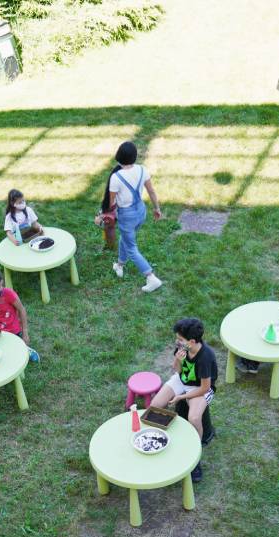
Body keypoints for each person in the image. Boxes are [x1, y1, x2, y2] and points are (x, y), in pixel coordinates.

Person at [149, 317, 217, 482]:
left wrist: (181, 397)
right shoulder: (183, 347)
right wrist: (178, 360)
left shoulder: (205, 357)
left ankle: (195, 456)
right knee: (155, 405)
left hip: (199, 388)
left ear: (192, 341)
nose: (177, 341)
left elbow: (205, 388)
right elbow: (177, 370)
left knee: (194, 417)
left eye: (180, 339)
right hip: (182, 379)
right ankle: (161, 443)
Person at [106, 141, 164, 293]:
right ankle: (119, 265)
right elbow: (151, 191)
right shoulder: (142, 169)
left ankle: (151, 277)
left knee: (132, 248)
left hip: (127, 216)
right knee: (125, 238)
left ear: (118, 156)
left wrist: (102, 215)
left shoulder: (116, 177)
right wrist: (157, 208)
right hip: (141, 212)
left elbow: (111, 202)